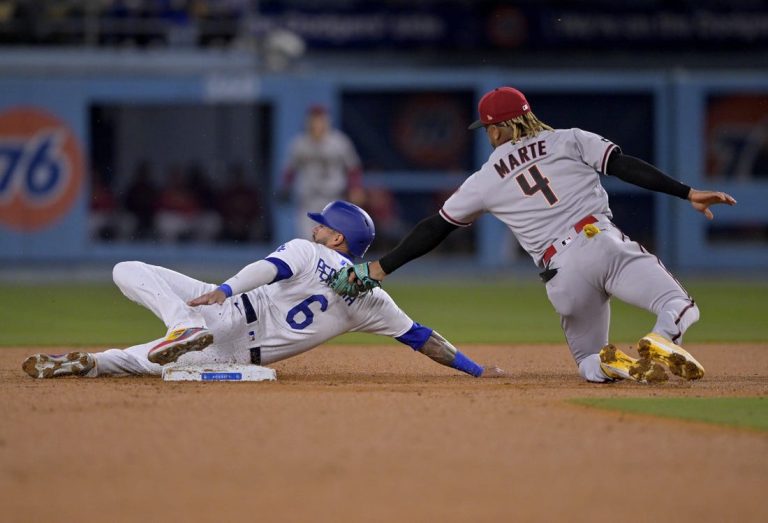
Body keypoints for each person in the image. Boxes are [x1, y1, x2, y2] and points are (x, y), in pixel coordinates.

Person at [331, 87, 738, 384]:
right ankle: (663, 337)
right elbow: (625, 166)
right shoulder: (570, 139)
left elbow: (434, 228)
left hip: (558, 273)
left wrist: (381, 267)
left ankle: (610, 365)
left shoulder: (485, 177)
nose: (488, 135)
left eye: (490, 127)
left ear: (505, 126)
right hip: (599, 240)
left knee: (587, 362)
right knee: (678, 303)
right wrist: (687, 192)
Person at [22, 201, 503, 380]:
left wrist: (225, 289)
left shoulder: (308, 250)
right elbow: (423, 339)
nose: (315, 230)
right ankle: (94, 361)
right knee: (135, 362)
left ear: (337, 239)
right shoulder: (373, 301)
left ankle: (180, 325)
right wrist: (475, 370)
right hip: (234, 358)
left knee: (126, 269)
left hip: (226, 310)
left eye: (323, 227)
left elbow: (267, 268)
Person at [279, 105, 366, 240]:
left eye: (320, 120)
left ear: (327, 121)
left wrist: (355, 188)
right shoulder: (299, 144)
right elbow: (290, 170)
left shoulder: (339, 142)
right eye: (314, 120)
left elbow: (353, 168)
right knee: (307, 241)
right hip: (308, 200)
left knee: (332, 242)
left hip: (333, 199)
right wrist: (285, 188)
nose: (317, 124)